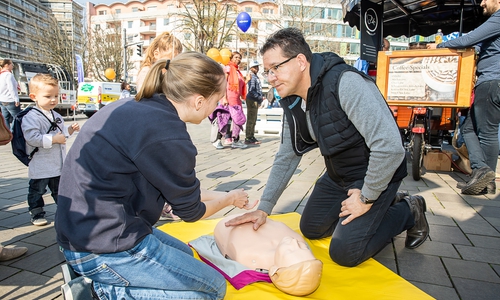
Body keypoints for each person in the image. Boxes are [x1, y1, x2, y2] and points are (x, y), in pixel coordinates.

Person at [55, 52, 257, 300]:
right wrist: (228, 199)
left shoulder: (138, 107)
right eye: (217, 100)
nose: (216, 108)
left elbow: (181, 194)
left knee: (187, 254)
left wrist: (229, 196)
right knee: (212, 289)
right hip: (103, 247)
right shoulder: (168, 134)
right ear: (198, 100)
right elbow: (191, 212)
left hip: (86, 230)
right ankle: (99, 292)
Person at [224, 28, 429, 268]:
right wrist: (265, 208)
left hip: (376, 174)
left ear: (301, 61)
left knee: (345, 252)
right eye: (268, 70)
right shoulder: (291, 100)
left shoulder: (345, 82)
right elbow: (287, 156)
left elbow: (390, 148)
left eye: (276, 68)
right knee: (311, 228)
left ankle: (408, 210)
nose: (270, 77)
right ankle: (379, 210)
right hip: (338, 176)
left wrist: (366, 196)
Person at [428, 0, 500, 195]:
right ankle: (486, 179)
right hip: (492, 80)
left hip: (492, 80)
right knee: (470, 127)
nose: (482, 3)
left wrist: (441, 46)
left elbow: (469, 39)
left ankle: (482, 172)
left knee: (485, 132)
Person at [213, 214, 322, 296]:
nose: (294, 243)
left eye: (290, 251)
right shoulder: (297, 239)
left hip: (227, 224)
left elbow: (230, 238)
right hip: (253, 217)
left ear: (275, 270)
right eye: (303, 247)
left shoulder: (249, 255)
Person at [136, 31, 183, 220]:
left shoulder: (163, 71)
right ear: (156, 53)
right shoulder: (148, 72)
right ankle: (162, 204)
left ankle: (164, 203)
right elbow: (146, 97)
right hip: (150, 126)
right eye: (169, 58)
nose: (172, 63)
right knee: (157, 167)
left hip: (158, 124)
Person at [22, 74, 80, 226]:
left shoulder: (56, 115)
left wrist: (69, 130)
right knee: (37, 190)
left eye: (56, 96)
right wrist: (53, 139)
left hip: (57, 164)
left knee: (60, 190)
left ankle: (66, 211)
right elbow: (32, 138)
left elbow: (61, 133)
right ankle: (36, 213)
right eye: (48, 96)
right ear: (34, 97)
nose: (53, 100)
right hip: (41, 163)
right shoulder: (31, 117)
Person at [212, 51, 248, 149]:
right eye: (236, 57)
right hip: (228, 98)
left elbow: (240, 85)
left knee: (237, 120)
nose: (238, 59)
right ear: (231, 58)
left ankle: (235, 140)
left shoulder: (238, 71)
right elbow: (223, 83)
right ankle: (217, 140)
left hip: (236, 100)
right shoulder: (227, 68)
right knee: (224, 120)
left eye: (240, 58)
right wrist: (224, 97)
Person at [244, 61, 263, 145]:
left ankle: (251, 136)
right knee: (251, 119)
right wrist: (259, 97)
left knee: (253, 119)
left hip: (254, 99)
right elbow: (251, 90)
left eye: (257, 67)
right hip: (252, 99)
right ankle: (248, 137)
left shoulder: (256, 76)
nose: (257, 69)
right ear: (251, 68)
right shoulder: (252, 76)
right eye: (255, 67)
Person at [0, 59, 21, 129]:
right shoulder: (8, 75)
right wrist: (16, 99)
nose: (12, 66)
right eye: (11, 64)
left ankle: (8, 135)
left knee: (5, 118)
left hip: (2, 99)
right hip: (10, 100)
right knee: (17, 118)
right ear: (7, 65)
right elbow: (11, 88)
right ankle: (14, 133)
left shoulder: (1, 74)